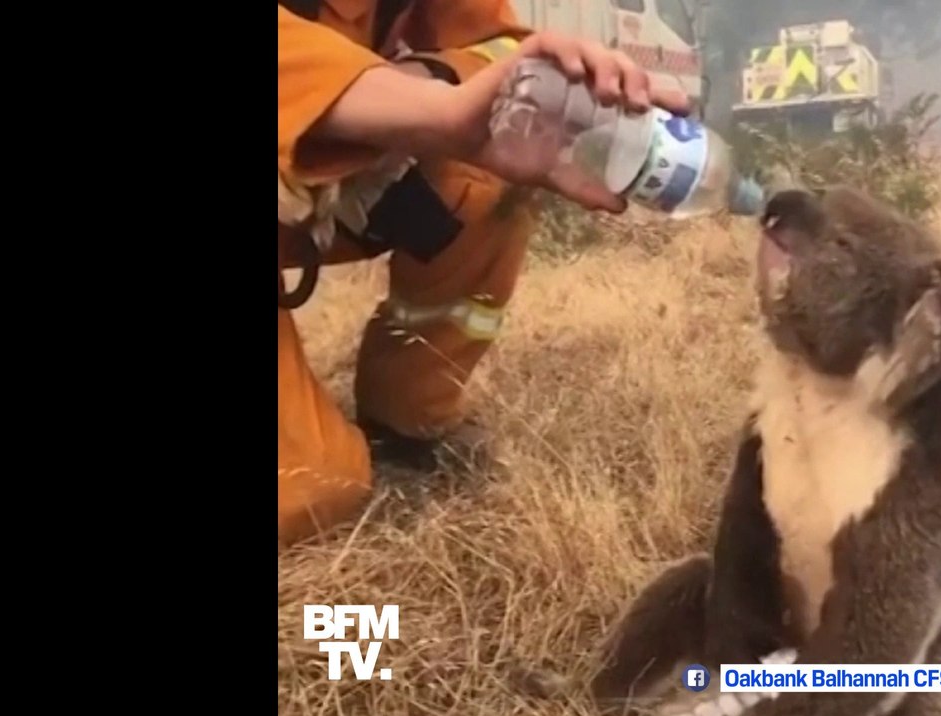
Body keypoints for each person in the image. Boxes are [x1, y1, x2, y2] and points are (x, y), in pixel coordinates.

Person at [278, 0, 689, 546]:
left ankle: (406, 421)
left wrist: (440, 84)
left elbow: (495, 42)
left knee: (488, 172)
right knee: (313, 486)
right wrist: (429, 111)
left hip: (317, 179)